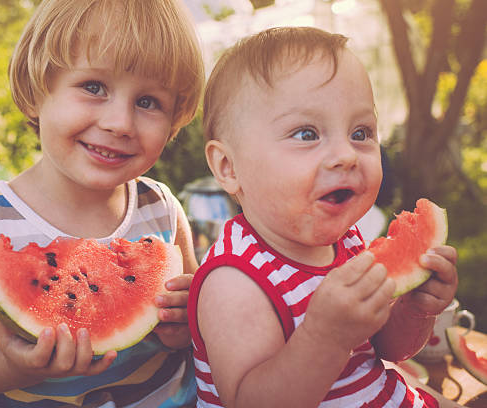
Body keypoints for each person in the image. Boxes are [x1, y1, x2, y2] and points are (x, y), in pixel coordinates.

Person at [0, 1, 204, 407]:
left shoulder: (162, 208)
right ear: (35, 92)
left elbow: (200, 319)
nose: (120, 123)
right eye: (94, 87)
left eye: (148, 102)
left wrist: (188, 324)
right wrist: (20, 366)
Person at [187, 27, 460, 408]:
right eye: (306, 133)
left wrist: (416, 309)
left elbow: (385, 350)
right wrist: (325, 336)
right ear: (229, 167)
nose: (346, 155)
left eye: (361, 132)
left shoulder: (347, 242)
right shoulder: (234, 281)